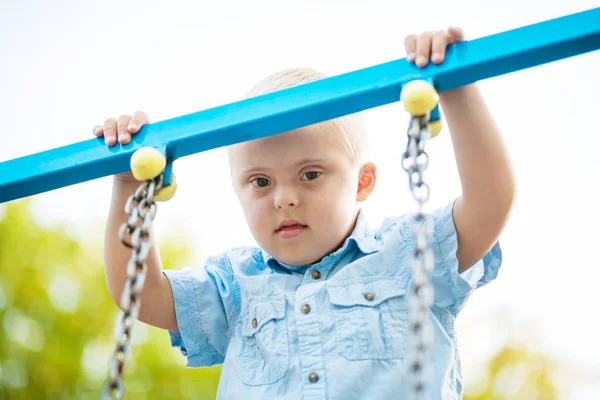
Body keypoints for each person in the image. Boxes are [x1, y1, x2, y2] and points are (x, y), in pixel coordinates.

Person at [95, 27, 515, 400]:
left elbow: (488, 204)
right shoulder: (236, 288)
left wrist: (459, 90)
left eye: (310, 174)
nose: (284, 199)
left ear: (362, 182)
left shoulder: (406, 255)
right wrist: (128, 188)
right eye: (260, 182)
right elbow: (141, 292)